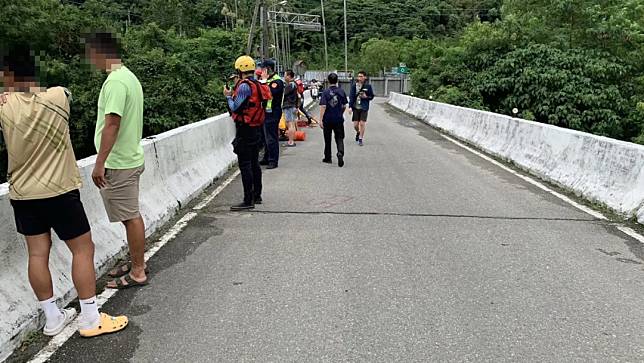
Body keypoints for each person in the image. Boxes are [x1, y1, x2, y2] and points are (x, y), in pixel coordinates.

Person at [0, 47, 128, 337]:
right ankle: (91, 318)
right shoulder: (58, 96)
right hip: (60, 190)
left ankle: (53, 318)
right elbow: (63, 92)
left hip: (23, 194)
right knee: (82, 249)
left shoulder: (4, 106)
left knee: (37, 254)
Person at [84, 32, 148, 289]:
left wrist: (100, 163)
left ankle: (138, 271)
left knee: (130, 216)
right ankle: (137, 261)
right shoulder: (128, 77)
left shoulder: (116, 82)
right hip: (128, 157)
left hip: (120, 162)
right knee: (129, 215)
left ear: (99, 53)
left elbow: (112, 123)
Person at [224, 55, 269, 210]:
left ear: (240, 69)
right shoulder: (258, 83)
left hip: (245, 128)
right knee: (255, 162)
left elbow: (236, 107)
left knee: (245, 164)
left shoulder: (244, 86)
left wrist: (228, 97)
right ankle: (257, 195)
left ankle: (247, 200)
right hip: (257, 127)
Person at [319, 73, 348, 167]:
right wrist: (340, 112)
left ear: (328, 80)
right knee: (339, 137)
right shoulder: (341, 91)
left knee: (327, 139)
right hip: (338, 119)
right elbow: (344, 106)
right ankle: (340, 152)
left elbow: (323, 106)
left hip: (327, 119)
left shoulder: (325, 92)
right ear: (337, 80)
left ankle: (328, 157)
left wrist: (320, 119)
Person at [259, 59, 284, 169]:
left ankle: (273, 160)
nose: (261, 71)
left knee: (271, 137)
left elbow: (268, 93)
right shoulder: (265, 80)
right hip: (264, 112)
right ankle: (266, 157)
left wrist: (264, 81)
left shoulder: (276, 82)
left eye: (263, 69)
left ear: (268, 69)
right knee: (264, 137)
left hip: (273, 112)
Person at [349, 70, 375, 146]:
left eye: (361, 76)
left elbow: (372, 96)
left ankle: (360, 139)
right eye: (358, 76)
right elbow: (351, 97)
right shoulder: (354, 86)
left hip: (364, 107)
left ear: (365, 77)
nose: (359, 78)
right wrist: (350, 107)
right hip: (356, 107)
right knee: (355, 125)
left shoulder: (368, 86)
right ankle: (358, 132)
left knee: (362, 123)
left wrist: (366, 97)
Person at [282, 70, 298, 147]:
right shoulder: (294, 84)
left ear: (289, 76)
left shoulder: (290, 85)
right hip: (293, 106)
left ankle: (290, 141)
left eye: (285, 75)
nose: (284, 77)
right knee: (292, 123)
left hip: (288, 106)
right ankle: (292, 140)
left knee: (290, 124)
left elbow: (283, 94)